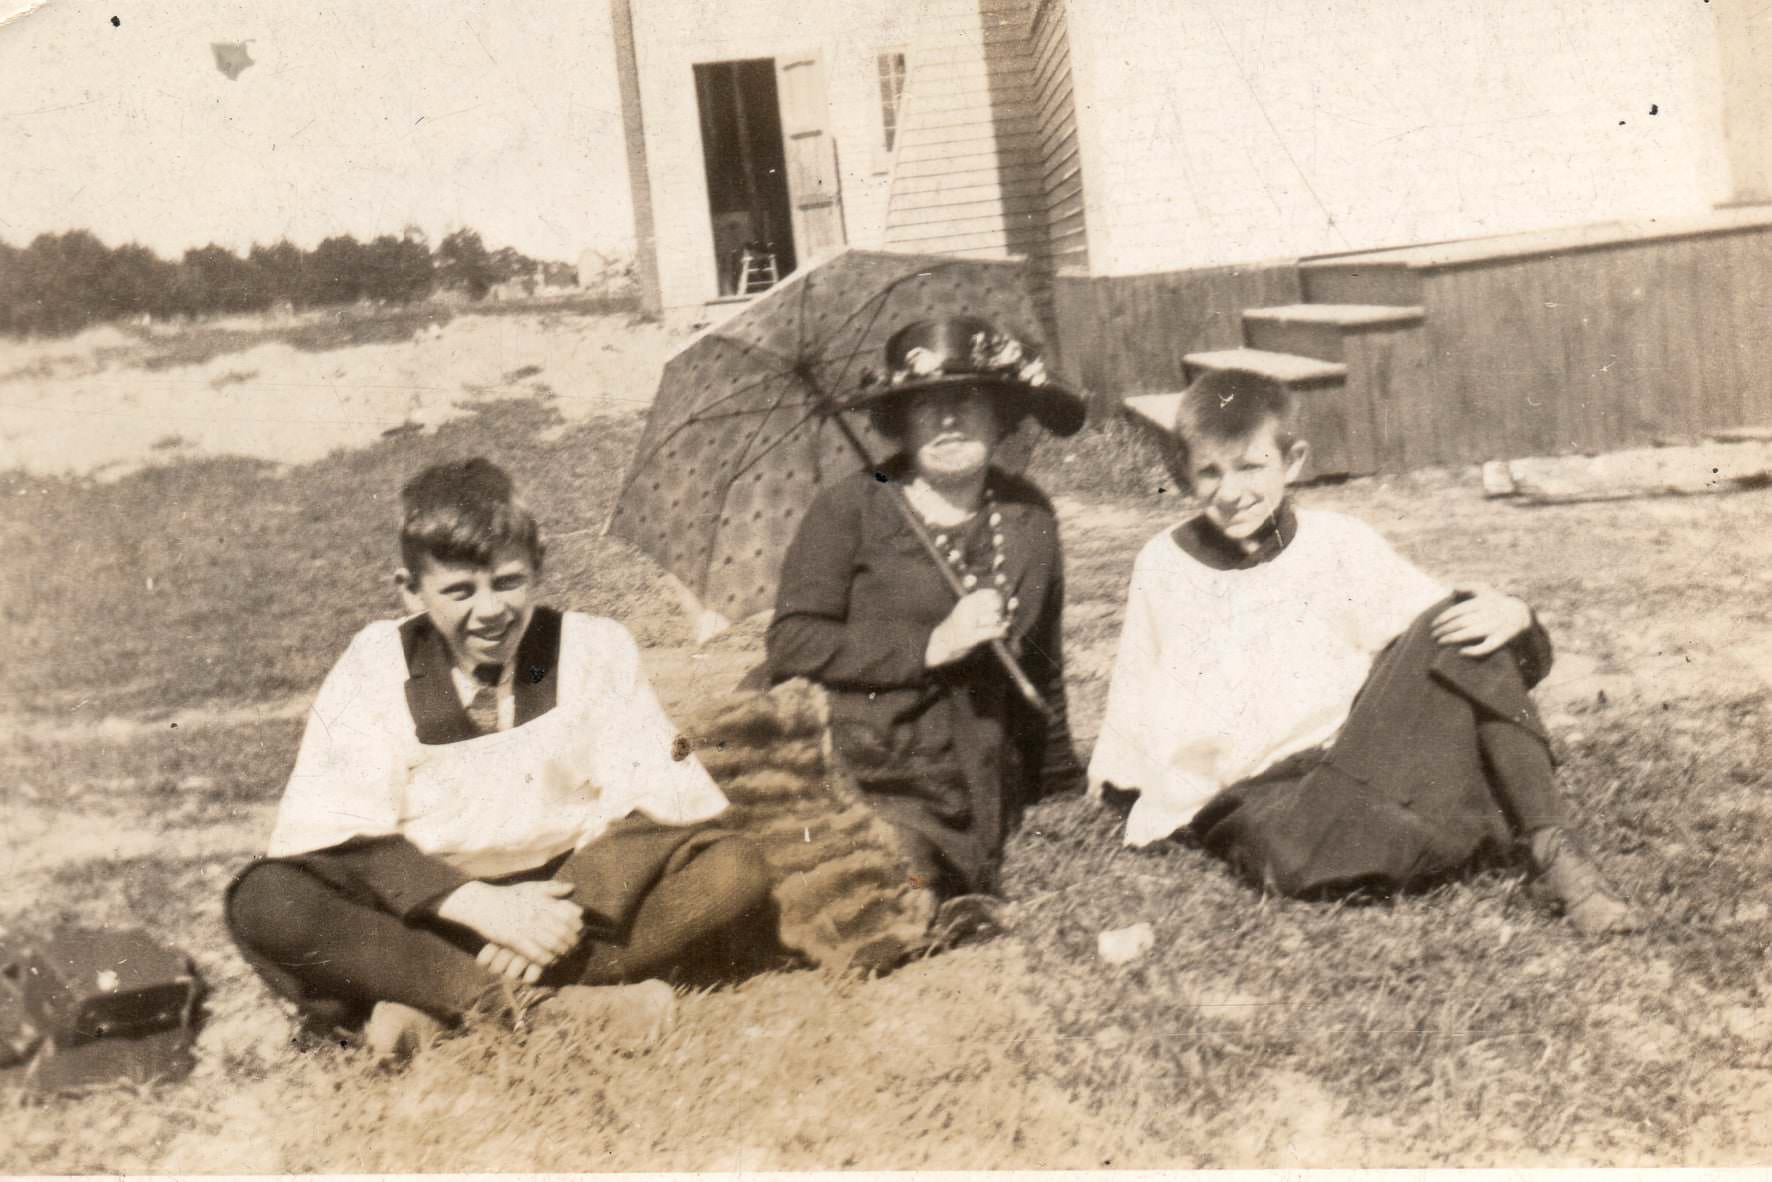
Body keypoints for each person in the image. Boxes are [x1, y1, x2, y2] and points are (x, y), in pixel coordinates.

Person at [226, 458, 773, 1062]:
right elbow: (341, 835)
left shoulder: (593, 647)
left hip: (569, 908)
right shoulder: (376, 662)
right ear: (409, 589)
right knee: (265, 898)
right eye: (459, 591)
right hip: (431, 912)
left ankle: (435, 1005)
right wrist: (478, 905)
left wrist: (553, 914)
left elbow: (661, 804)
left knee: (733, 869)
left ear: (538, 566)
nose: (490, 611)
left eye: (508, 582)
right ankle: (540, 1012)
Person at [1088, 369, 1646, 934]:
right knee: (1294, 859)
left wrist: (1515, 613)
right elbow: (1137, 686)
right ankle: (1458, 821)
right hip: (1263, 802)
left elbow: (1443, 630)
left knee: (1461, 616)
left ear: (1293, 461)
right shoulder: (1163, 566)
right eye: (1210, 471)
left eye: (1251, 466)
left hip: (1354, 757)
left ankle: (1555, 853)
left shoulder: (1338, 542)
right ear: (1185, 474)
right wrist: (1126, 792)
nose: (1231, 493)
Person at [766, 315, 1088, 916]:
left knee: (937, 862)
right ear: (899, 420)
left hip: (980, 759)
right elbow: (792, 642)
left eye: (967, 399)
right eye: (924, 404)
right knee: (889, 876)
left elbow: (1044, 660)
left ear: (1000, 413)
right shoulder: (850, 507)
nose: (947, 420)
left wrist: (1062, 781)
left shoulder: (1028, 513)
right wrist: (929, 647)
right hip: (872, 749)